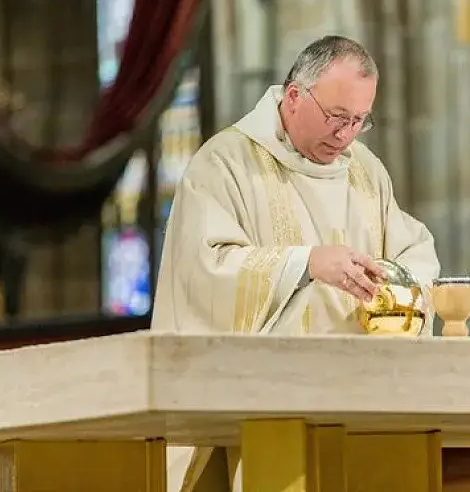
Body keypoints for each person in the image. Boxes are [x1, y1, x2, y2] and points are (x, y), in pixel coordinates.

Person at [151, 35, 441, 492]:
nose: (345, 135)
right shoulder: (223, 165)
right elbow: (205, 270)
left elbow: (412, 249)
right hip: (270, 403)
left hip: (367, 395)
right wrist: (305, 264)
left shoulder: (365, 170)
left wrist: (400, 286)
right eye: (336, 117)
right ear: (293, 96)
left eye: (359, 121)